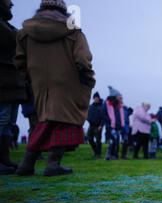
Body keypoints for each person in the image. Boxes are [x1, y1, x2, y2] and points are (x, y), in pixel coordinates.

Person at [15, 0, 95, 176]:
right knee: (63, 122)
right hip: (68, 83)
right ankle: (52, 164)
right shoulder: (73, 32)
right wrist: (88, 80)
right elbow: (83, 59)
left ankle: (27, 164)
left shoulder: (24, 34)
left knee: (43, 122)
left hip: (39, 84)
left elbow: (20, 61)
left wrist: (30, 78)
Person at [0, 0, 28, 175]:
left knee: (9, 122)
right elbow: (14, 41)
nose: (11, 4)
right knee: (2, 120)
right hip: (4, 80)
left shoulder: (6, 25)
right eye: (7, 0)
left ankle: (4, 159)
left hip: (12, 81)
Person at [103, 86, 129, 161]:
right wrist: (108, 124)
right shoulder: (107, 104)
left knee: (116, 141)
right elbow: (105, 115)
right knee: (113, 141)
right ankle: (108, 155)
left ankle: (114, 155)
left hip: (118, 126)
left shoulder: (119, 105)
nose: (120, 97)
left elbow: (121, 116)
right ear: (114, 96)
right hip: (111, 126)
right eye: (119, 96)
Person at [87, 92, 104, 158]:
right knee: (89, 138)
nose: (96, 99)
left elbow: (103, 117)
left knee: (98, 140)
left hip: (98, 126)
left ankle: (98, 154)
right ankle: (96, 151)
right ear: (93, 98)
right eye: (95, 98)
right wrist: (88, 119)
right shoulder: (90, 106)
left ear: (99, 98)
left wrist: (101, 125)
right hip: (91, 125)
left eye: (97, 98)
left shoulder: (102, 107)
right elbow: (87, 114)